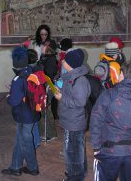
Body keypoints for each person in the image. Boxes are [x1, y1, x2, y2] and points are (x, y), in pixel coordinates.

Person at [90, 60, 131, 181]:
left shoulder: (108, 95)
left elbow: (96, 119)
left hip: (109, 151)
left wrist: (96, 146)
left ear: (122, 76)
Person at [1, 47, 39, 177]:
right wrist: (14, 89)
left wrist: (9, 97)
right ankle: (15, 167)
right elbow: (26, 90)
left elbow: (14, 101)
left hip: (24, 115)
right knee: (19, 140)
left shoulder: (18, 79)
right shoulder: (30, 71)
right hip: (32, 112)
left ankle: (33, 167)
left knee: (25, 142)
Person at [54, 48, 91, 181]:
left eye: (65, 60)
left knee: (72, 151)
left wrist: (61, 98)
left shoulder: (79, 81)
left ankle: (74, 176)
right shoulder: (70, 76)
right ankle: (80, 172)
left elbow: (79, 102)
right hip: (71, 119)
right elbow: (69, 93)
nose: (62, 61)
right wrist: (59, 90)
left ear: (70, 64)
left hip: (74, 121)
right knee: (77, 148)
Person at [38, 40, 58, 140]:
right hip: (43, 85)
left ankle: (50, 134)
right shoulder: (44, 57)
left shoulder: (51, 59)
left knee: (46, 110)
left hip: (47, 86)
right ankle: (44, 132)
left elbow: (49, 75)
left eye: (44, 45)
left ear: (49, 48)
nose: (42, 46)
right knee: (43, 109)